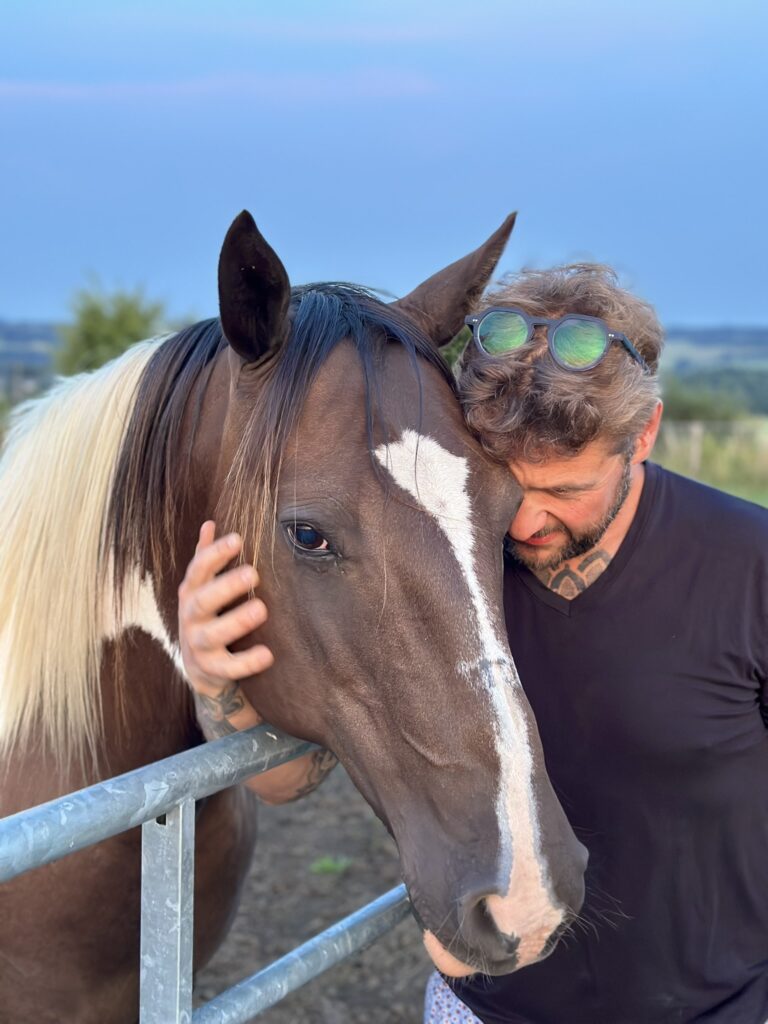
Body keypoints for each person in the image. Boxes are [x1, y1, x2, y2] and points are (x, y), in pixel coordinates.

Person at [177, 264, 768, 1024]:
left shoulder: (749, 569)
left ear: (643, 437)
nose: (525, 526)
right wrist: (214, 676)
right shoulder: (445, 564)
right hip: (484, 1011)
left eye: (565, 491)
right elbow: (288, 784)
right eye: (508, 488)